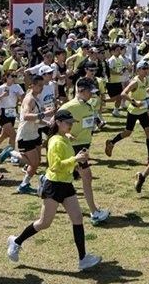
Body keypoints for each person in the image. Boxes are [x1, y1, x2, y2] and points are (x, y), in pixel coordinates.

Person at [6, 109, 103, 271]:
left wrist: (77, 159)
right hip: (54, 185)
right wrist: (75, 159)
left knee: (78, 218)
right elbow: (55, 166)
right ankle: (16, 242)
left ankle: (83, 259)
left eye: (72, 123)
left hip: (66, 184)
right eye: (68, 123)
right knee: (44, 223)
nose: (71, 125)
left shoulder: (63, 138)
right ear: (58, 122)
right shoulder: (56, 142)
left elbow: (65, 160)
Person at [60, 78, 110, 223]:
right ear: (80, 91)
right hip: (73, 147)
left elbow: (90, 118)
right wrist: (67, 133)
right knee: (87, 177)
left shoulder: (88, 105)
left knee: (65, 176)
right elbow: (55, 123)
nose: (91, 95)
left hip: (84, 146)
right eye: (89, 92)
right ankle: (94, 212)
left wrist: (98, 122)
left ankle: (45, 182)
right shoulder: (69, 106)